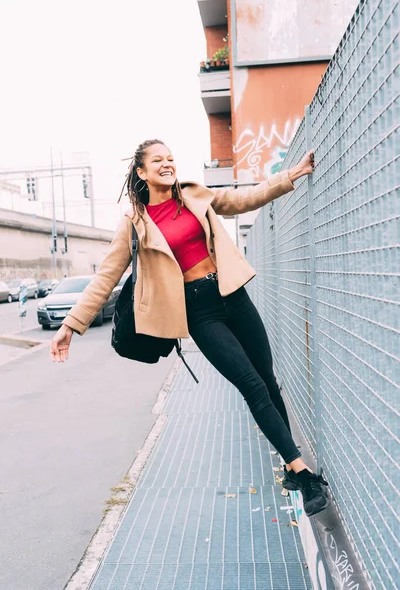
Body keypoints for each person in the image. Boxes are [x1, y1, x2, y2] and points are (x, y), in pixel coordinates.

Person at [50, 139, 330, 517]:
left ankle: (290, 461)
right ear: (142, 172)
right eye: (158, 161)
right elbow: (105, 277)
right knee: (250, 385)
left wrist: (290, 175)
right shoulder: (135, 224)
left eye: (170, 158)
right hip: (199, 313)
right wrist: (72, 324)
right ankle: (303, 472)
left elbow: (242, 200)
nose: (167, 164)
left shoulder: (194, 195)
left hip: (232, 294)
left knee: (267, 379)